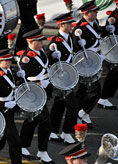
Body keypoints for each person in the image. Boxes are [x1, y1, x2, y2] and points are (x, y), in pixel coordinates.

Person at [18, 28, 55, 164]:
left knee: (31, 120)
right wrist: (39, 82)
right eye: (38, 41)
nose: (41, 43)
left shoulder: (41, 52)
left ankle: (23, 145)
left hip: (43, 91)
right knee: (45, 121)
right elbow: (23, 80)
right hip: (33, 93)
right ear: (30, 41)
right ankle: (42, 151)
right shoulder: (26, 58)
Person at [46, 12, 78, 144]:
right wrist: (52, 56)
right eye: (70, 24)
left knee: (59, 105)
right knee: (73, 107)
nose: (72, 26)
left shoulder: (69, 37)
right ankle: (67, 132)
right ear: (62, 25)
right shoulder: (55, 42)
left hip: (68, 77)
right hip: (60, 78)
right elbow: (46, 58)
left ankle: (53, 131)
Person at [72, 1, 104, 127]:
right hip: (86, 63)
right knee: (95, 91)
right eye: (94, 11)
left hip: (96, 59)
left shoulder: (94, 22)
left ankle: (79, 115)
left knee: (83, 91)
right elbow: (76, 49)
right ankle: (82, 112)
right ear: (86, 13)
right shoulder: (79, 29)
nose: (97, 13)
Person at [98, 0, 118, 110]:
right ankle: (104, 98)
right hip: (115, 49)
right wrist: (110, 30)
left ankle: (105, 97)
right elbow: (105, 33)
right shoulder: (114, 17)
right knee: (114, 73)